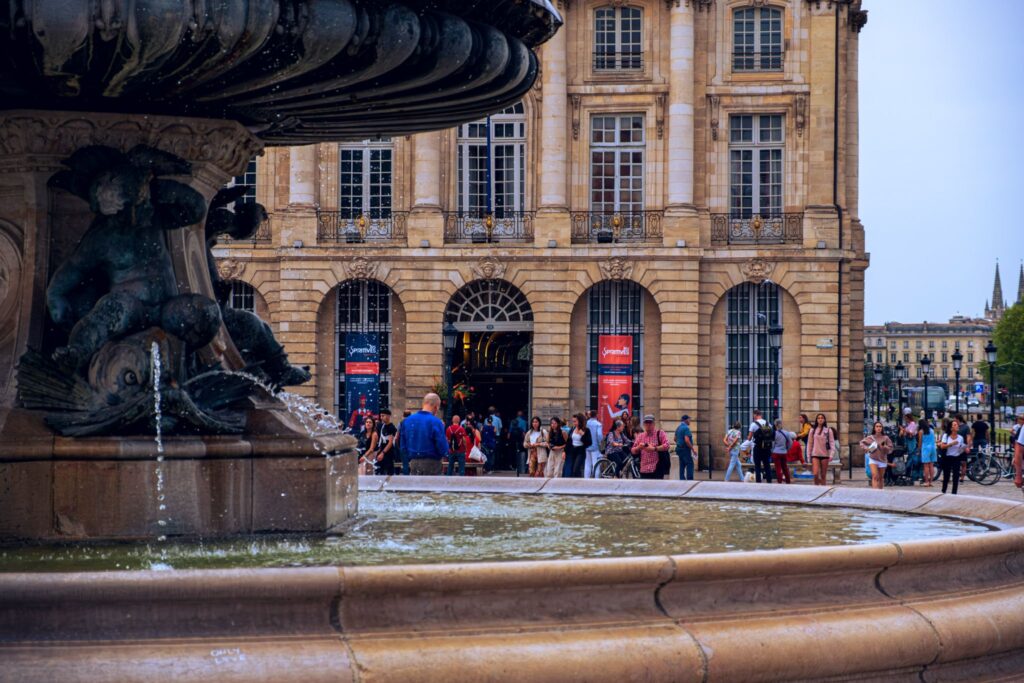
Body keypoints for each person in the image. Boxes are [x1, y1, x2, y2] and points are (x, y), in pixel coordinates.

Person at [397, 393, 448, 475]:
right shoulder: (436, 422)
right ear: (436, 407)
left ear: (423, 404)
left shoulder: (407, 421)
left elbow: (402, 446)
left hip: (413, 463)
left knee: (416, 487)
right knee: (431, 487)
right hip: (432, 463)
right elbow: (442, 447)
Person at [631, 415, 670, 479]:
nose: (648, 424)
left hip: (657, 468)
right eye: (646, 422)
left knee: (656, 488)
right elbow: (633, 450)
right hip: (644, 469)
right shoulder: (641, 436)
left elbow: (667, 445)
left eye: (650, 422)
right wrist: (639, 447)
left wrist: (654, 448)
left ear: (654, 424)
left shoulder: (660, 433)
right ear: (644, 424)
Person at [860, 421, 893, 490]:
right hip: (873, 459)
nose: (878, 428)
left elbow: (890, 448)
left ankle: (880, 492)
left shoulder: (885, 438)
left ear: (882, 428)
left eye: (880, 426)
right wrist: (867, 448)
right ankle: (875, 493)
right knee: (875, 476)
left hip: (882, 459)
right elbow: (862, 443)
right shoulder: (871, 438)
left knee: (880, 477)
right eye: (877, 426)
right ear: (874, 428)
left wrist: (884, 447)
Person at [937, 417, 966, 495]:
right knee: (946, 476)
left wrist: (964, 448)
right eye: (955, 425)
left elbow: (961, 447)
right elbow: (942, 446)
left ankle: (954, 493)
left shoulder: (960, 438)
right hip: (947, 458)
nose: (957, 426)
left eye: (957, 425)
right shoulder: (946, 436)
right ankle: (943, 491)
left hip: (956, 458)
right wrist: (951, 444)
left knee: (956, 476)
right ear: (951, 428)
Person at [747, 409, 774, 484]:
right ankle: (769, 481)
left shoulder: (753, 424)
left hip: (758, 447)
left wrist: (748, 437)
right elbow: (772, 435)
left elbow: (749, 438)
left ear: (755, 415)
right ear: (761, 415)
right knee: (767, 465)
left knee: (757, 465)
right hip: (767, 447)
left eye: (753, 415)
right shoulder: (768, 424)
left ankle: (758, 481)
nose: (753, 416)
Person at [807, 413, 834, 486]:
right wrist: (808, 455)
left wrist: (831, 454)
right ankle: (817, 487)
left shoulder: (828, 430)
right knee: (815, 473)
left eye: (822, 418)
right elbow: (809, 444)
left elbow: (832, 443)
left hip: (825, 454)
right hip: (815, 454)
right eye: (818, 418)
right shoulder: (812, 430)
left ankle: (823, 488)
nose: (820, 419)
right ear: (816, 420)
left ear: (824, 420)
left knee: (823, 475)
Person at [565, 413, 592, 478]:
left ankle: (579, 483)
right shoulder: (572, 429)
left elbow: (589, 442)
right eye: (573, 421)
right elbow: (569, 441)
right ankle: (576, 483)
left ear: (580, 421)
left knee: (576, 468)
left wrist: (583, 435)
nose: (574, 423)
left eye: (575, 421)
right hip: (572, 450)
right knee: (572, 469)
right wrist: (564, 451)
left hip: (581, 451)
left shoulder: (586, 430)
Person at [771, 418, 796, 484]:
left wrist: (773, 450)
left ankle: (779, 481)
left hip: (776, 452)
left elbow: (772, 444)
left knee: (778, 468)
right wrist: (787, 449)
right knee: (785, 467)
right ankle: (788, 481)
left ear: (775, 425)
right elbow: (790, 443)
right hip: (784, 452)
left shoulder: (774, 433)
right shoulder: (787, 433)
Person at [899, 408, 920, 483]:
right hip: (909, 443)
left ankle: (911, 474)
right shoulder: (909, 424)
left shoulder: (913, 424)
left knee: (912, 458)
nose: (905, 419)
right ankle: (909, 474)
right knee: (910, 457)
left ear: (908, 418)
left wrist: (904, 430)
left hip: (912, 442)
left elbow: (911, 433)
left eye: (906, 418)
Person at [374, 410, 398, 475]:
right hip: (382, 451)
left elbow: (390, 443)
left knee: (388, 472)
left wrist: (382, 453)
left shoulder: (391, 427)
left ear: (388, 416)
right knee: (380, 471)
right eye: (381, 416)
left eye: (383, 416)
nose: (381, 417)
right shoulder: (383, 426)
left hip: (388, 453)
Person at [673, 415, 695, 480]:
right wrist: (692, 449)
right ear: (686, 420)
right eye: (689, 419)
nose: (690, 421)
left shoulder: (678, 427)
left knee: (682, 465)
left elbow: (675, 439)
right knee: (690, 464)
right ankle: (690, 480)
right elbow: (687, 440)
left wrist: (679, 443)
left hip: (679, 449)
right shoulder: (686, 428)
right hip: (685, 449)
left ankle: (682, 479)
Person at [585, 409, 603, 479]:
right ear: (596, 415)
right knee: (596, 464)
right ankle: (596, 479)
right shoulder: (598, 424)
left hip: (587, 446)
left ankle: (586, 478)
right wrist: (600, 442)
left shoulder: (586, 423)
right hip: (595, 446)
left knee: (587, 464)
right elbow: (599, 435)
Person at [918, 417, 936, 487]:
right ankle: (931, 481)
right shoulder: (932, 430)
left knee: (926, 466)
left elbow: (920, 442)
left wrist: (919, 450)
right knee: (931, 465)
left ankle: (926, 481)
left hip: (925, 448)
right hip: (933, 448)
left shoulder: (921, 431)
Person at [398, 409, 413, 475]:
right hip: (412, 447)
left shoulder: (401, 423)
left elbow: (397, 435)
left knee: (405, 465)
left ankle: (406, 479)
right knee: (413, 464)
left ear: (403, 415)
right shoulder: (413, 422)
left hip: (403, 446)